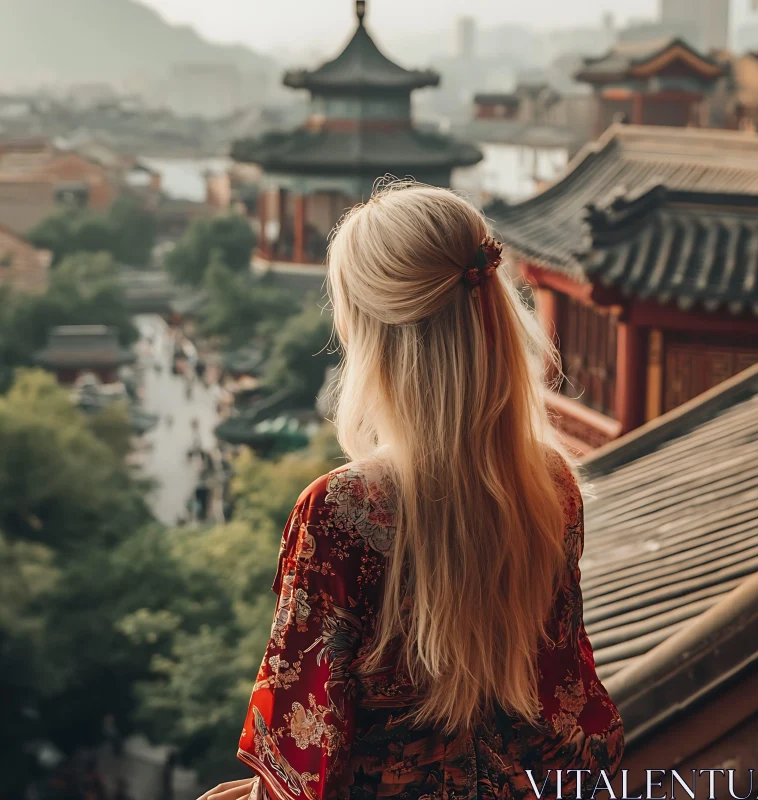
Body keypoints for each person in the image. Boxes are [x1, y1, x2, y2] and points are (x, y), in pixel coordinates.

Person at [197, 183, 624, 800]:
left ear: (366, 331)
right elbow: (570, 697)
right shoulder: (551, 485)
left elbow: (304, 747)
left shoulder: (340, 511)